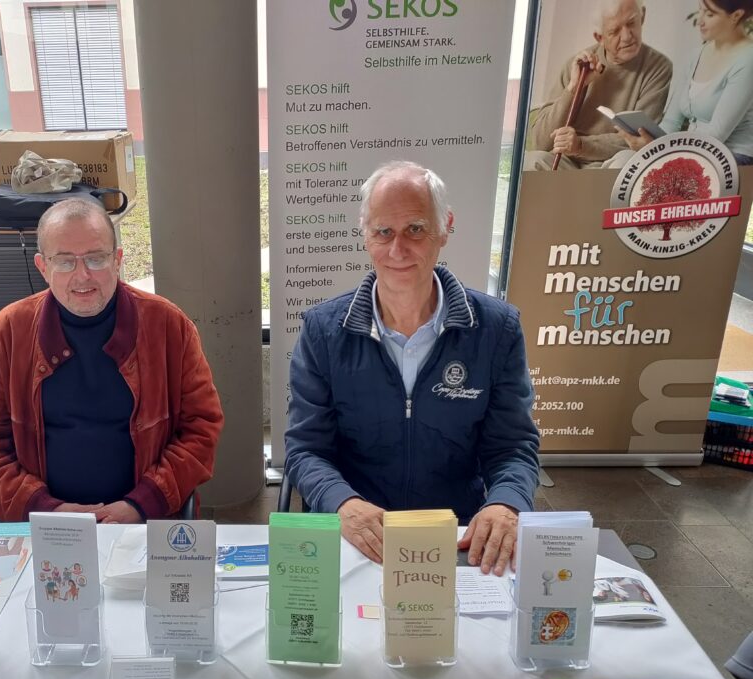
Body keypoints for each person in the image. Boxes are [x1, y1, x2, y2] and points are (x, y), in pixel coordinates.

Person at [284, 161, 540, 576]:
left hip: (456, 535)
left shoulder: (496, 329)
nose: (397, 249)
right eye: (383, 232)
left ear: (445, 227)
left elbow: (512, 447)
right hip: (356, 535)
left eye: (415, 229)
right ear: (365, 234)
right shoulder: (323, 331)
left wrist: (506, 504)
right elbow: (306, 448)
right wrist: (341, 502)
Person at [0, 199, 224, 523]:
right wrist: (45, 509)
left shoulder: (169, 327)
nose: (82, 275)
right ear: (43, 267)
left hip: (142, 519)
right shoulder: (7, 333)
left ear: (117, 260)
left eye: (96, 258)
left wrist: (142, 504)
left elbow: (201, 429)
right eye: (65, 262)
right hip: (42, 522)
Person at [526, 0, 672, 169]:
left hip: (610, 163)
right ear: (599, 37)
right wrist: (573, 88)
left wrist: (581, 145)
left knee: (628, 159)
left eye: (631, 23)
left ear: (643, 16)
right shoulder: (578, 65)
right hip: (567, 163)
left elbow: (639, 137)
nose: (626, 36)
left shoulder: (659, 67)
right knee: (531, 161)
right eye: (615, 31)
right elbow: (540, 142)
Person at [615, 0, 753, 163]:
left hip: (732, 158)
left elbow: (716, 135)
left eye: (710, 14)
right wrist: (650, 142)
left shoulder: (747, 59)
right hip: (695, 151)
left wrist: (659, 148)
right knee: (624, 159)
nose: (700, 21)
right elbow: (671, 122)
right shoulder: (696, 56)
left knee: (641, 167)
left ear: (736, 15)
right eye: (700, 11)